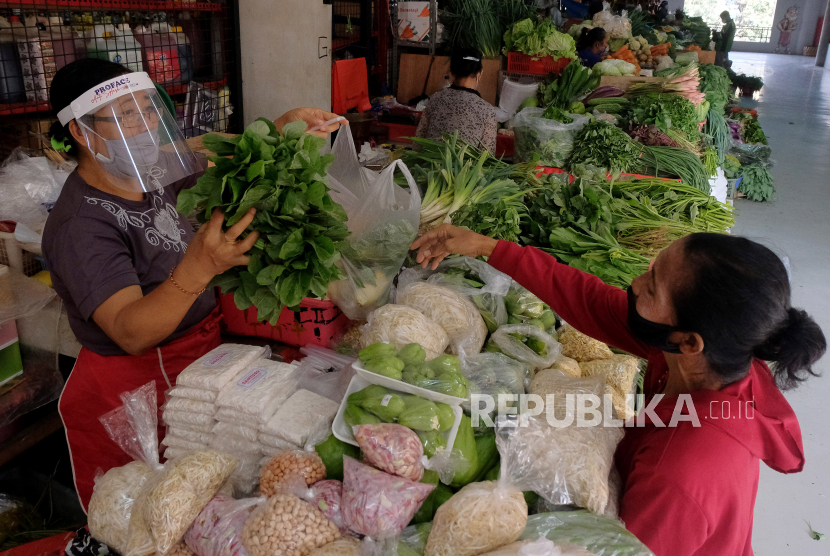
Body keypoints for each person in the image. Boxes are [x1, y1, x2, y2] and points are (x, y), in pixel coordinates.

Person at [411, 224, 825, 556]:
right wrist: (489, 247)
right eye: (652, 268)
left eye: (653, 286)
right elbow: (589, 301)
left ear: (690, 340)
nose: (635, 281)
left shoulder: (681, 471)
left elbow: (624, 549)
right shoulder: (705, 357)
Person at [43, 58, 345, 510]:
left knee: (208, 500)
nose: (145, 126)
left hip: (198, 367)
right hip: (131, 393)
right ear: (83, 134)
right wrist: (199, 267)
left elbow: (198, 146)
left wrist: (277, 129)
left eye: (148, 108)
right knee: (147, 513)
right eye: (126, 115)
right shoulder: (80, 224)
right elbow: (131, 331)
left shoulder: (148, 169)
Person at [415, 48, 497, 154]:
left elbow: (418, 143)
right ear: (479, 74)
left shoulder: (434, 101)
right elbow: (487, 156)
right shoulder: (487, 111)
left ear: (451, 72)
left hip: (429, 168)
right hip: (468, 170)